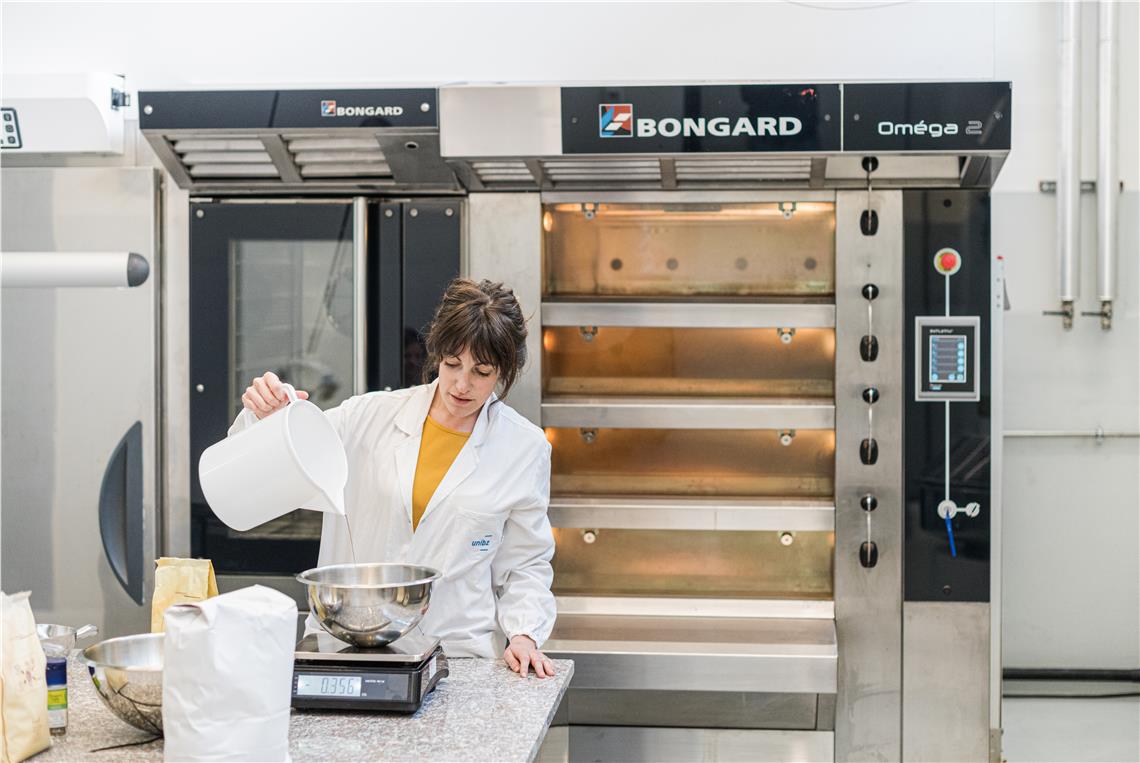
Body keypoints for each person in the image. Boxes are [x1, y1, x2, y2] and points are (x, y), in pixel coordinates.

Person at [233, 278, 557, 678]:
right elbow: (264, 471)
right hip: (348, 645)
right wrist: (267, 417)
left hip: (458, 657)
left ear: (505, 371)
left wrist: (524, 634)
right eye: (452, 364)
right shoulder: (367, 418)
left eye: (482, 371)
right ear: (437, 353)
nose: (461, 384)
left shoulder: (524, 448)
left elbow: (526, 563)